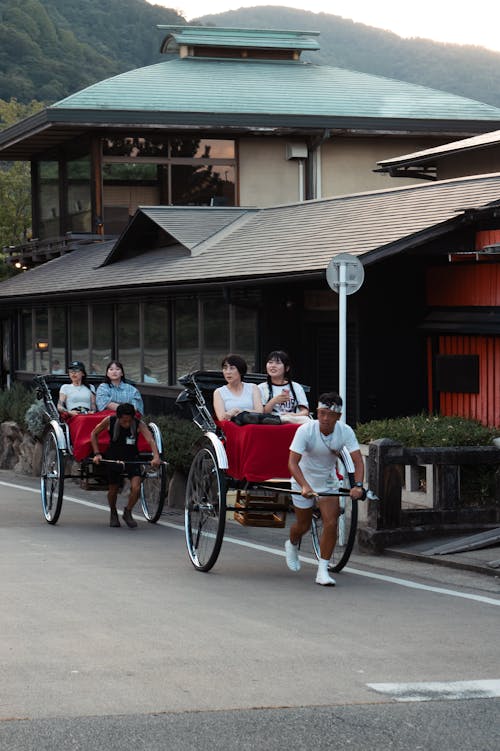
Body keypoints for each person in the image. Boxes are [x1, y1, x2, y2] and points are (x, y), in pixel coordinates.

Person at [285, 392, 365, 586]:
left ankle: (322, 570)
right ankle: (292, 544)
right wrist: (304, 485)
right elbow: (292, 463)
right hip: (303, 479)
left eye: (330, 415)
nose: (325, 419)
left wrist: (358, 486)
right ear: (317, 413)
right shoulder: (306, 430)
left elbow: (357, 461)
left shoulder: (345, 431)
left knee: (331, 522)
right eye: (322, 413)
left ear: (339, 416)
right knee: (302, 526)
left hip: (328, 481)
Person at [91, 402, 161, 528]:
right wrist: (97, 453)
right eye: (124, 421)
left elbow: (150, 439)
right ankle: (113, 512)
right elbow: (94, 434)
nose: (127, 424)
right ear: (118, 417)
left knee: (136, 488)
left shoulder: (138, 424)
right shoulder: (110, 421)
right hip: (113, 457)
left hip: (132, 458)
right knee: (113, 489)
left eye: (129, 421)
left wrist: (156, 456)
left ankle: (128, 511)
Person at [258, 350, 309, 422]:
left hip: (293, 420)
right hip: (271, 422)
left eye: (278, 363)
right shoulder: (261, 388)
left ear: (287, 368)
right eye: (270, 362)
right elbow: (262, 413)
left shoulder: (296, 387)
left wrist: (292, 415)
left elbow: (305, 411)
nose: (273, 366)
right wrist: (273, 401)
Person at [213, 353, 263, 421]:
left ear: (240, 371)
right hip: (232, 427)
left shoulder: (253, 388)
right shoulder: (218, 392)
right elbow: (221, 418)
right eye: (225, 368)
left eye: (232, 368)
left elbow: (260, 412)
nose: (228, 372)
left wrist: (239, 411)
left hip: (252, 425)